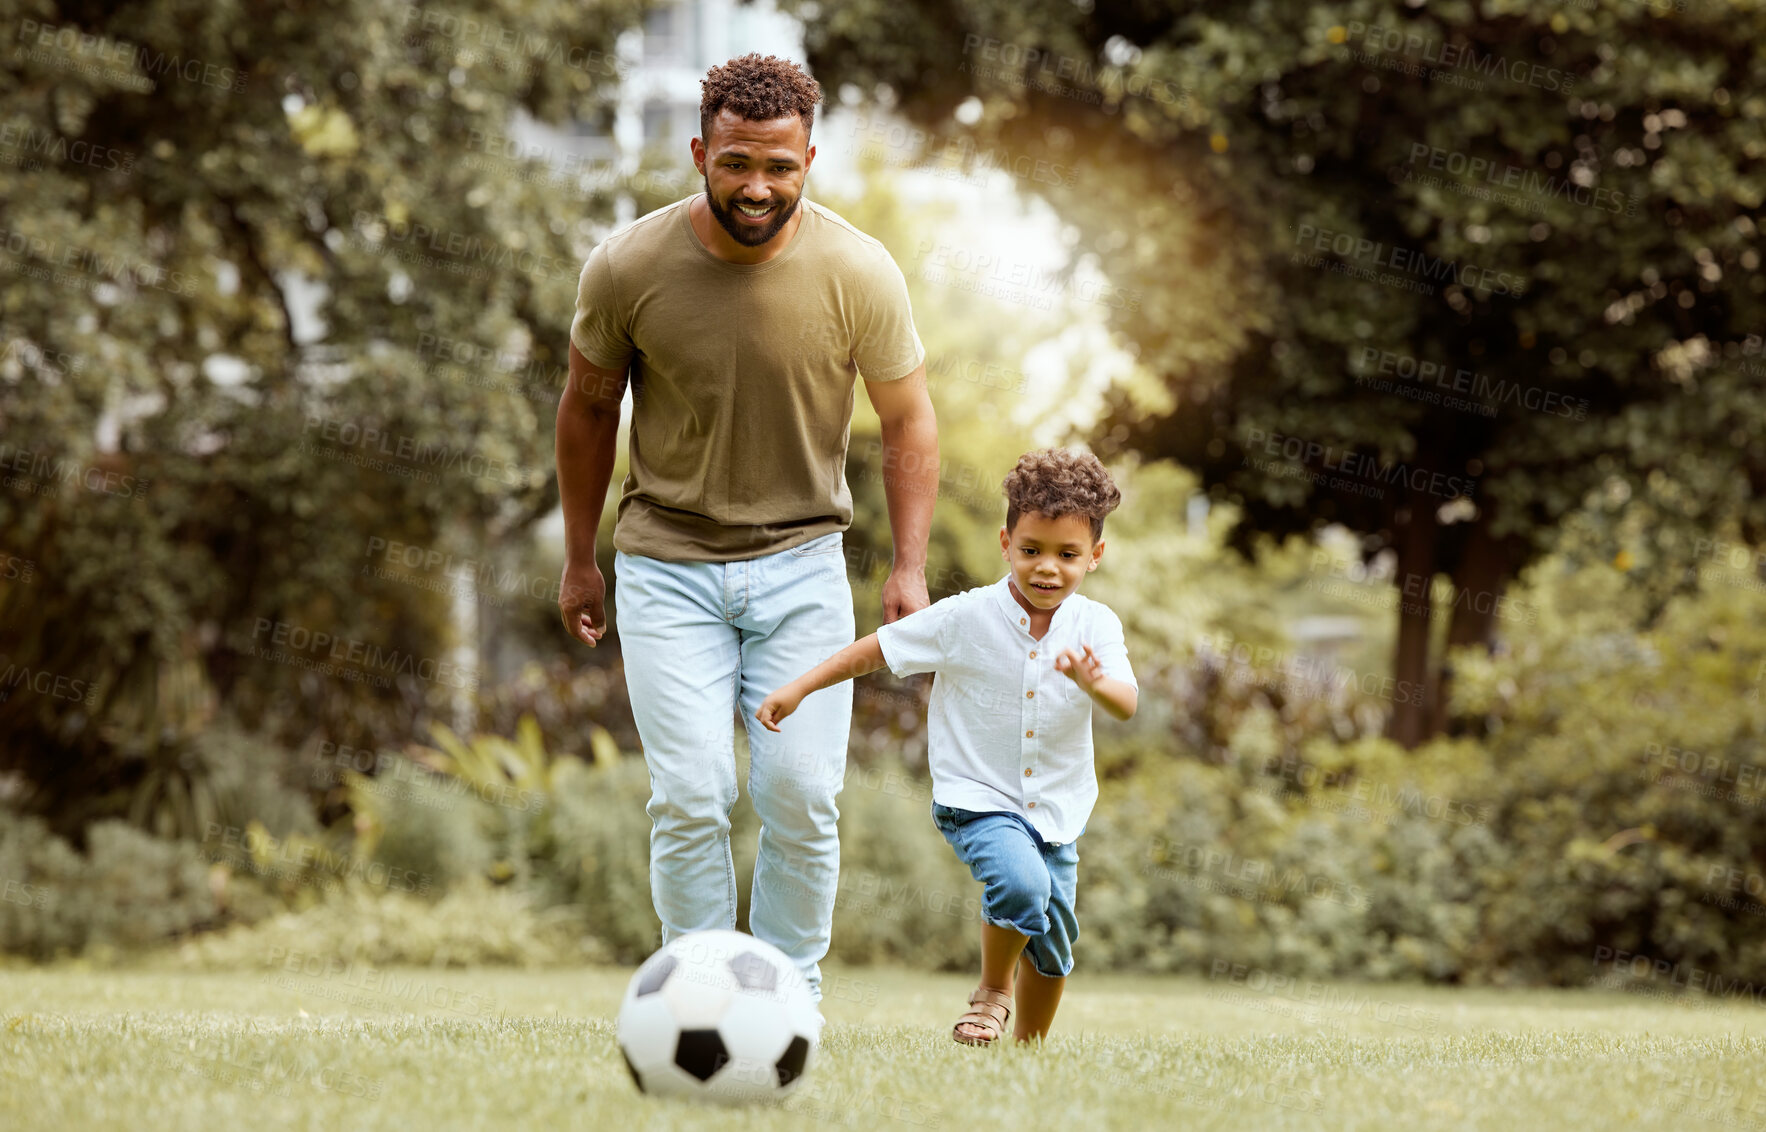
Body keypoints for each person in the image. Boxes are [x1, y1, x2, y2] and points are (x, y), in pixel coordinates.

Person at [554, 53, 939, 1008]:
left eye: (779, 166)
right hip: (664, 565)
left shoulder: (859, 271)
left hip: (802, 566)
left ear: (811, 156)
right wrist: (577, 559)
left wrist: (911, 565)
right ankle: (694, 989)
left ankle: (788, 997)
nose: (757, 187)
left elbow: (910, 420)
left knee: (803, 799)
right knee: (690, 797)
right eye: (735, 164)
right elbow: (586, 409)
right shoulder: (628, 266)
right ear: (699, 153)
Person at [757, 449, 1137, 1044]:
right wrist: (800, 687)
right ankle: (992, 990)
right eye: (1032, 550)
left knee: (1055, 937)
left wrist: (1093, 683)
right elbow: (878, 649)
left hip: (1059, 807)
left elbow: (1124, 702)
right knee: (1021, 886)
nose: (1046, 568)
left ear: (1095, 556)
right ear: (1006, 541)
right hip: (978, 797)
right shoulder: (966, 617)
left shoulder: (1098, 627)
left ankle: (1028, 1048)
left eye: (1067, 555)